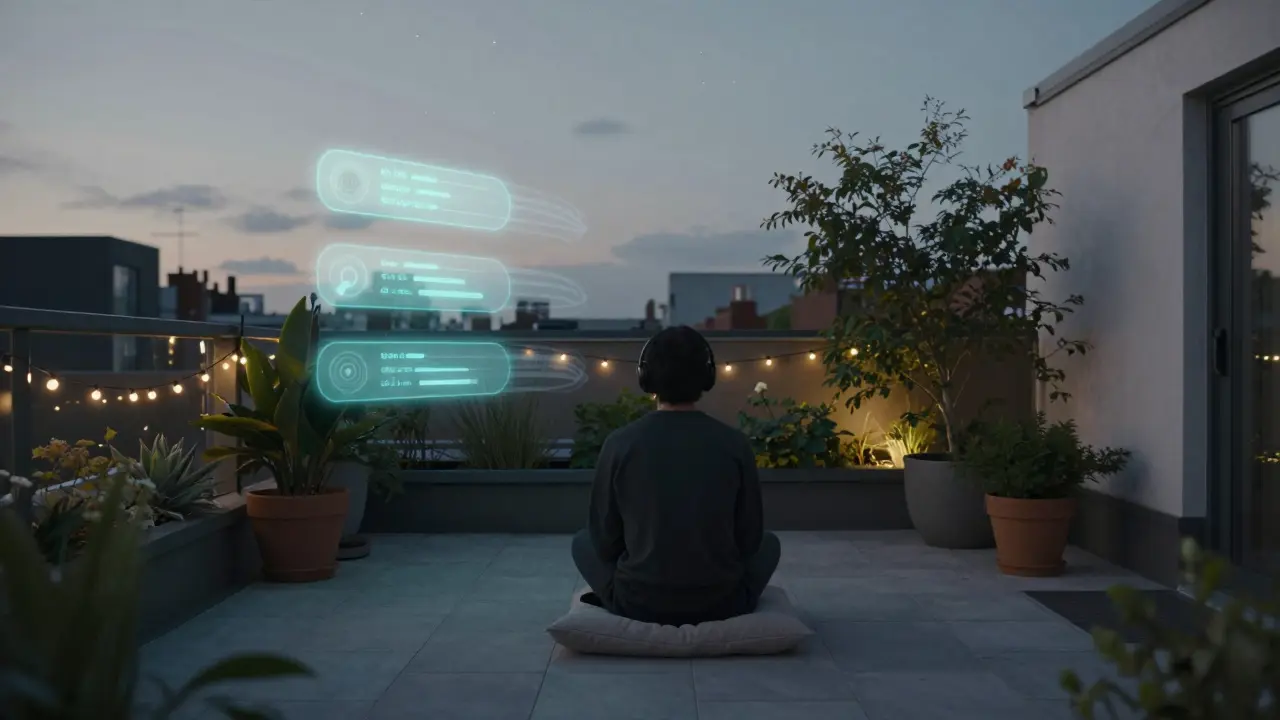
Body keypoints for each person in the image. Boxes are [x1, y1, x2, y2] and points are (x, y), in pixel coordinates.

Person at [571, 325, 781, 626]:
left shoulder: (619, 443)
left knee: (582, 542)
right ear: (708, 376)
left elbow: (604, 543)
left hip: (638, 602)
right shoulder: (735, 444)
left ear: (644, 376)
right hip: (724, 602)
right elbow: (750, 541)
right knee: (770, 544)